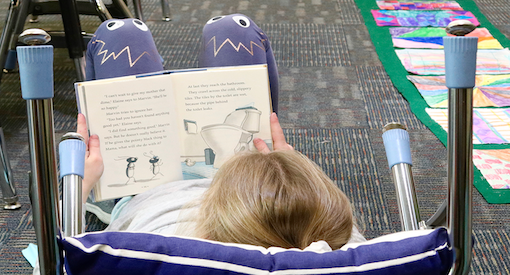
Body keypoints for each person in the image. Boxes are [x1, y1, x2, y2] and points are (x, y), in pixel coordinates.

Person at [78, 14, 365, 250]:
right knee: (232, 28)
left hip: (148, 185)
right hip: (255, 184)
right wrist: (288, 172)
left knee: (120, 33)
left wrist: (81, 185)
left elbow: (66, 257)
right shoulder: (339, 247)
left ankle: (108, 197)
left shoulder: (165, 252)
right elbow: (334, 224)